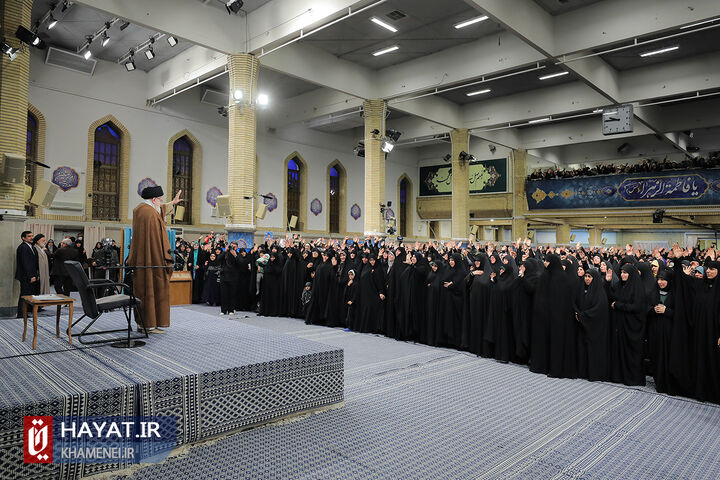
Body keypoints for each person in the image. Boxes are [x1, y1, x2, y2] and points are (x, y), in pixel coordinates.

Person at [126, 185, 182, 333]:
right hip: (152, 259)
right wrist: (164, 256)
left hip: (144, 259)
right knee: (151, 287)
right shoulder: (149, 214)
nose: (162, 202)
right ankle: (149, 325)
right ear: (154, 199)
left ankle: (145, 324)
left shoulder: (142, 210)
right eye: (160, 199)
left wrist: (172, 203)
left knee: (144, 289)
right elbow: (156, 239)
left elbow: (161, 209)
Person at [15, 231, 39, 317]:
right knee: (24, 295)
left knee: (28, 295)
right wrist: (31, 276)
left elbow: (34, 263)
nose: (31, 237)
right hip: (26, 276)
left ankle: (25, 312)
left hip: (31, 275)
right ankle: (21, 314)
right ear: (23, 238)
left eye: (32, 236)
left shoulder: (31, 247)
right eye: (29, 236)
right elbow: (26, 263)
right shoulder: (23, 247)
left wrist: (36, 275)